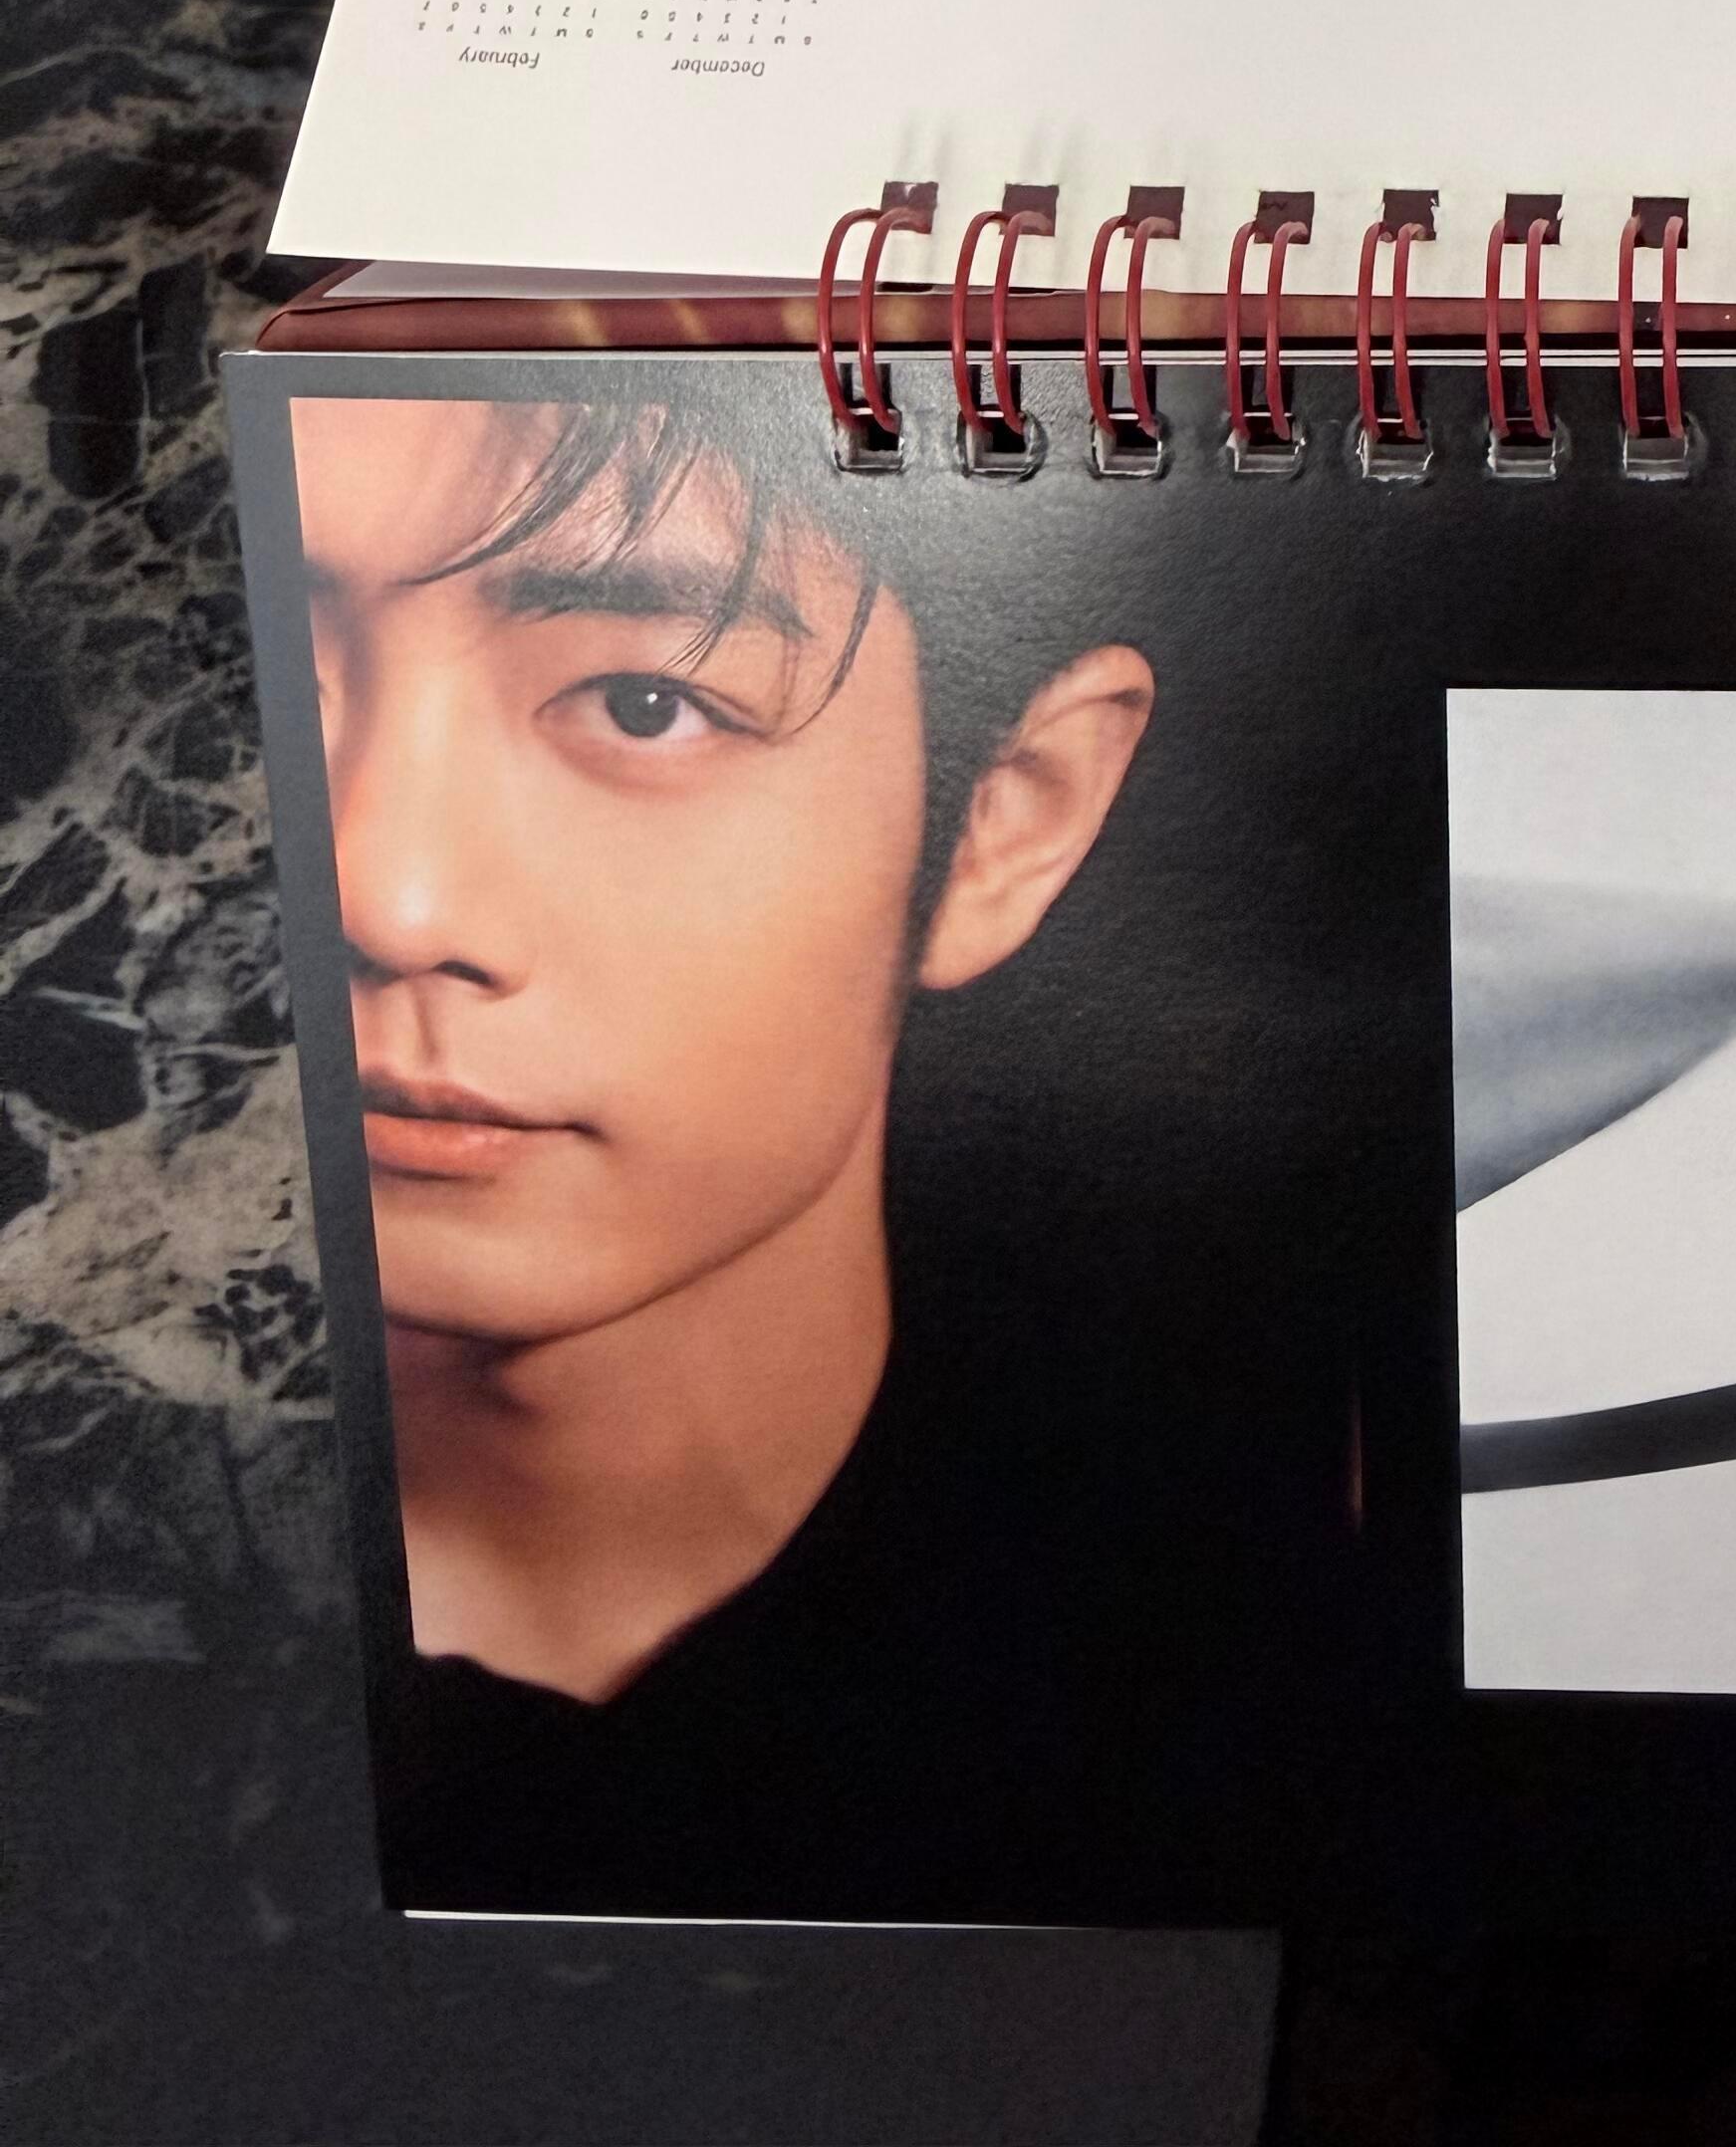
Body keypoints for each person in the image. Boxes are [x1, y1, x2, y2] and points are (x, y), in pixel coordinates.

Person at [293, 375, 1328, 1919]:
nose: (386, 893)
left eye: (645, 703)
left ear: (1008, 821)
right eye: (274, 664)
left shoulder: (1239, 1676)